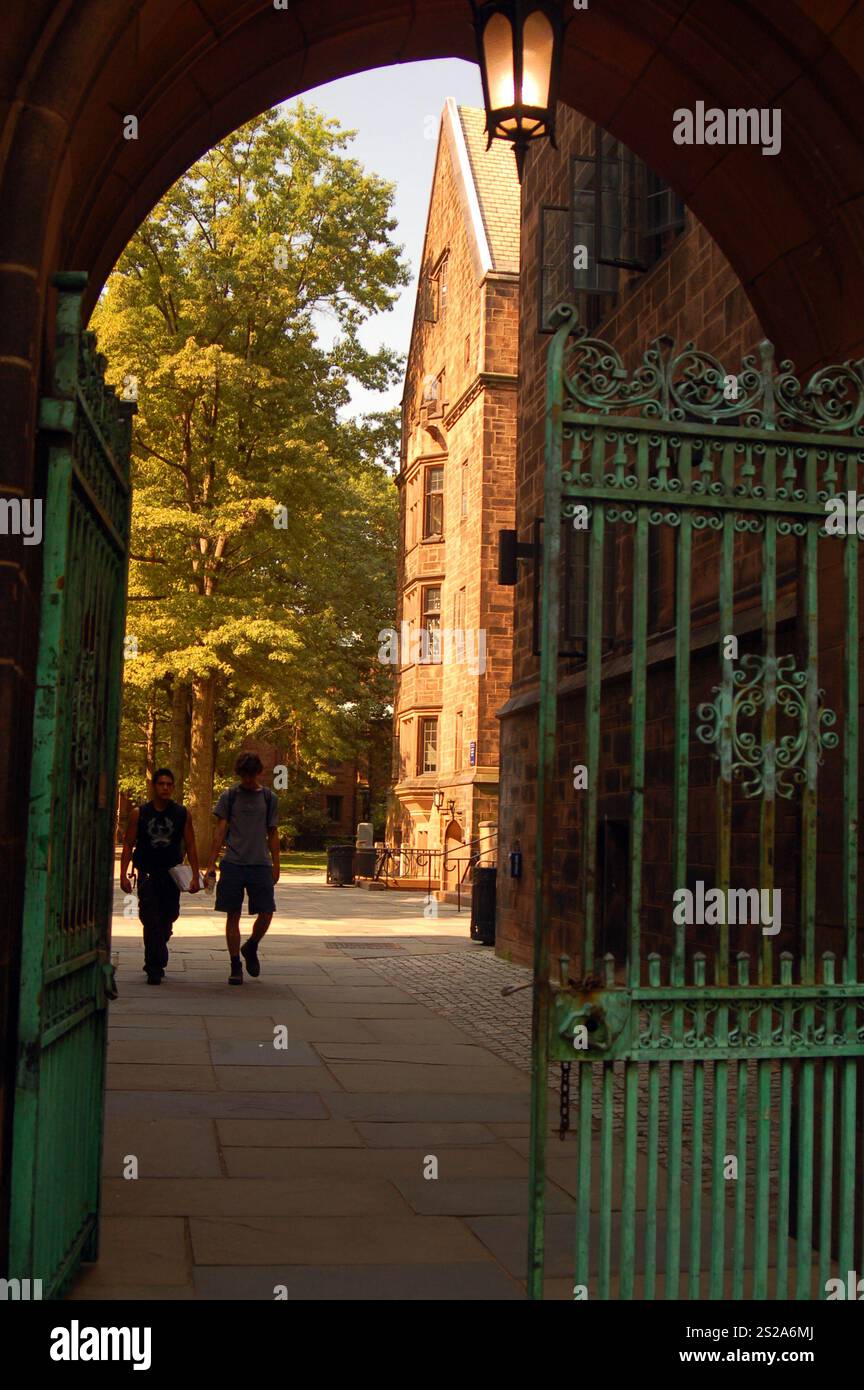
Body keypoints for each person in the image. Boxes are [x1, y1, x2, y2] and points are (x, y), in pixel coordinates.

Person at [206, 752, 280, 985]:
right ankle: (235, 963)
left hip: (260, 863)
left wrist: (277, 864)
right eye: (244, 775)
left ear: (258, 773)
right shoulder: (229, 796)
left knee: (266, 912)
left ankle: (252, 946)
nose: (247, 779)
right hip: (234, 863)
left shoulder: (269, 798)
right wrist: (211, 862)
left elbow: (273, 832)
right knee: (233, 915)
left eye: (251, 775)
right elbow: (220, 831)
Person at [120, 768, 200, 985]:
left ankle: (160, 943)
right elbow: (128, 844)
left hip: (172, 874)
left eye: (169, 784)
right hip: (147, 873)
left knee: (169, 916)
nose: (165, 787)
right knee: (150, 918)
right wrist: (123, 875)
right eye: (161, 784)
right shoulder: (141, 813)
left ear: (172, 787)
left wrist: (195, 874)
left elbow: (191, 844)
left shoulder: (181, 813)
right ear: (154, 786)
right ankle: (154, 966)